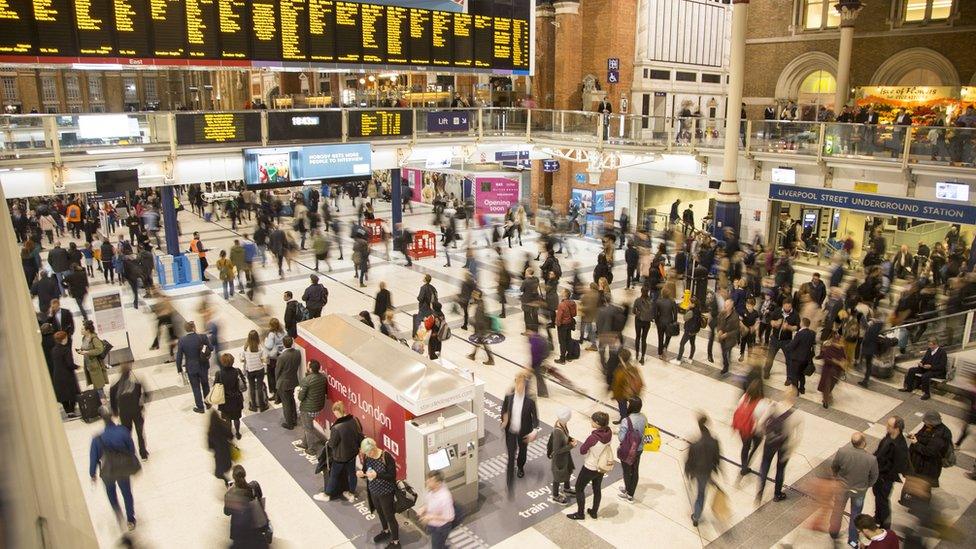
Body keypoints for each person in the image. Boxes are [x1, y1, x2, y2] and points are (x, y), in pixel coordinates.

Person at [89, 407, 138, 530]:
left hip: (107, 471)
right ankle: (130, 520)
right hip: (122, 468)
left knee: (111, 493)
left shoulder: (97, 439)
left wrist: (92, 474)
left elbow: (93, 458)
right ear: (112, 417)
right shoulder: (123, 431)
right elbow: (131, 449)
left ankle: (118, 514)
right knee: (126, 493)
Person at [829, 432, 879, 548]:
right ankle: (852, 539)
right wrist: (866, 485)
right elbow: (874, 476)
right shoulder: (871, 459)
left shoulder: (842, 451)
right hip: (859, 491)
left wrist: (838, 478)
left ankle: (833, 532)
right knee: (856, 515)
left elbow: (834, 467)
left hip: (842, 488)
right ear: (863, 442)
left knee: (837, 509)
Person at [756, 387, 802, 503]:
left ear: (783, 395)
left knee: (765, 465)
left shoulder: (774, 406)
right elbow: (798, 437)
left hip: (771, 440)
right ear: (795, 397)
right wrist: (791, 449)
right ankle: (777, 494)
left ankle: (760, 491)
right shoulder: (798, 414)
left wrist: (765, 434)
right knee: (780, 469)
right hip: (784, 444)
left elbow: (761, 422)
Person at [566, 411, 612, 520]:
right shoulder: (608, 433)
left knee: (579, 488)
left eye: (591, 419)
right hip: (601, 467)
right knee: (597, 488)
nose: (590, 421)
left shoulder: (594, 437)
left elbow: (582, 450)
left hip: (590, 467)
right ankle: (594, 512)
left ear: (597, 422)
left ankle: (580, 514)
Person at [358, 437, 400, 548]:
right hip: (374, 491)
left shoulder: (386, 457)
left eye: (370, 452)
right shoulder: (368, 457)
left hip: (386, 492)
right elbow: (365, 469)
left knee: (389, 516)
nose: (369, 455)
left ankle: (396, 541)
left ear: (374, 447)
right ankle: (385, 531)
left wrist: (377, 475)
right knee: (380, 512)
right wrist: (362, 473)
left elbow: (392, 476)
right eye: (366, 453)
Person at [501, 372, 538, 494]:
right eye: (518, 384)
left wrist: (535, 430)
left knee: (522, 452)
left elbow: (535, 418)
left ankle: (521, 467)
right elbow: (504, 410)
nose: (520, 387)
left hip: (524, 432)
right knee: (511, 457)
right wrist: (504, 420)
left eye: (522, 384)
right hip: (510, 432)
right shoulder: (509, 397)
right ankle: (509, 484)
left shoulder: (530, 401)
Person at [872, 415, 909, 530]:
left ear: (897, 428)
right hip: (878, 474)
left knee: (883, 501)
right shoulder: (889, 436)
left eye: (889, 425)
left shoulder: (900, 446)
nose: (886, 426)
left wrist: (883, 474)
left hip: (885, 478)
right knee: (877, 497)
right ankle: (877, 517)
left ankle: (885, 525)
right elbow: (879, 451)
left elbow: (898, 466)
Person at [685, 413, 721, 527]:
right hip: (706, 472)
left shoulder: (694, 444)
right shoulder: (714, 442)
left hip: (697, 471)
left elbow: (689, 460)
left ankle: (696, 515)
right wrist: (715, 470)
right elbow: (717, 459)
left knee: (699, 493)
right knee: (701, 493)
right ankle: (697, 515)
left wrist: (688, 473)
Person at [223, 465, 270, 548]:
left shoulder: (231, 494)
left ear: (234, 477)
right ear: (244, 475)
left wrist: (229, 493)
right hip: (256, 527)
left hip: (239, 531)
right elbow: (259, 497)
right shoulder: (255, 486)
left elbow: (227, 512)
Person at [109, 362, 149, 460]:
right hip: (136, 411)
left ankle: (130, 453)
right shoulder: (136, 384)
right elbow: (146, 395)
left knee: (127, 434)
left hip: (124, 413)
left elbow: (113, 402)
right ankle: (143, 453)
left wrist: (115, 413)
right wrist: (142, 404)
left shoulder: (114, 387)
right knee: (140, 433)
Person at [325, 401, 362, 501]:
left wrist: (329, 442)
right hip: (353, 453)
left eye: (334, 413)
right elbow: (359, 434)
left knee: (334, 475)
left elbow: (332, 444)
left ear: (337, 412)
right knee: (352, 473)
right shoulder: (354, 420)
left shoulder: (336, 428)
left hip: (340, 457)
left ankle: (327, 494)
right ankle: (351, 493)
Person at [907, 410, 952, 489]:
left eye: (926, 422)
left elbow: (930, 451)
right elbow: (923, 435)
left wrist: (916, 443)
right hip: (919, 461)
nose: (925, 424)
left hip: (928, 465)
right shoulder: (929, 426)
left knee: (922, 485)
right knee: (914, 481)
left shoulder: (941, 434)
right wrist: (916, 435)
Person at [175, 321, 212, 413]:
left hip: (191, 367)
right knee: (205, 384)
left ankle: (200, 407)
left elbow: (179, 356)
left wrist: (179, 369)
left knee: (195, 387)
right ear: (194, 328)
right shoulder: (202, 337)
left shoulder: (182, 340)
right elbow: (211, 348)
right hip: (203, 365)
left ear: (185, 329)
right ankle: (208, 403)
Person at [733, 379, 767, 477]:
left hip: (743, 429)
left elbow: (737, 409)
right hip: (755, 430)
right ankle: (749, 458)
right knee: (756, 444)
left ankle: (744, 467)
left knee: (745, 447)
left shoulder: (744, 397)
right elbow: (762, 420)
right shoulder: (762, 403)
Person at [618, 397, 647, 503]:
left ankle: (629, 493)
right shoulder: (643, 417)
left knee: (627, 470)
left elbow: (621, 438)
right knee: (635, 470)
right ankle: (630, 491)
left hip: (628, 449)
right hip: (639, 448)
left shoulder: (627, 420)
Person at [418, 470, 455, 549]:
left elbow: (450, 517)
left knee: (436, 546)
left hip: (440, 528)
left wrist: (430, 517)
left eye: (431, 480)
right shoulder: (430, 490)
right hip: (432, 525)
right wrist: (424, 508)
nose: (427, 481)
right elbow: (430, 502)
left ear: (438, 483)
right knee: (439, 544)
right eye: (428, 479)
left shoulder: (445, 497)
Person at [297, 360, 327, 456]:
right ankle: (304, 443)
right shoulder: (323, 378)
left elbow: (300, 397)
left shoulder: (306, 380)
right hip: (318, 407)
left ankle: (311, 449)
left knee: (308, 428)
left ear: (310, 368)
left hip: (307, 408)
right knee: (307, 426)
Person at [548, 407, 576, 505]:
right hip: (559, 460)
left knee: (568, 472)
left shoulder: (562, 423)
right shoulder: (558, 431)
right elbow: (557, 450)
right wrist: (571, 446)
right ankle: (555, 496)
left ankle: (567, 489)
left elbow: (566, 436)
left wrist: (570, 439)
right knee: (557, 478)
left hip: (565, 457)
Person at [215, 354, 246, 439]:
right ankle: (238, 433)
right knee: (236, 418)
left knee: (227, 419)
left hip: (225, 400)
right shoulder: (237, 371)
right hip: (236, 399)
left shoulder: (219, 373)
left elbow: (216, 386)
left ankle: (230, 434)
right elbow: (243, 382)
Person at [51, 330, 81, 417]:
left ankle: (67, 411)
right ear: (64, 339)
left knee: (63, 394)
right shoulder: (65, 350)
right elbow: (69, 364)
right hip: (67, 375)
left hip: (57, 374)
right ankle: (71, 411)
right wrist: (77, 366)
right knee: (72, 392)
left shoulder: (54, 350)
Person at [77, 320, 109, 399]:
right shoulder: (84, 338)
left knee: (98, 386)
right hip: (89, 364)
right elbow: (84, 347)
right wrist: (81, 351)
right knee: (96, 384)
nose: (81, 331)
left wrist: (87, 352)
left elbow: (99, 350)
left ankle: (103, 401)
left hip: (95, 365)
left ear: (87, 330)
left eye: (82, 329)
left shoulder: (94, 339)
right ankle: (100, 400)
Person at [275, 337, 301, 430]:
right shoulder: (298, 353)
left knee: (286, 403)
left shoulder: (282, 357)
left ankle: (289, 423)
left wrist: (277, 382)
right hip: (293, 380)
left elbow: (277, 371)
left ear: (283, 344)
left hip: (283, 383)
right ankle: (294, 419)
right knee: (291, 399)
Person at [784, 317, 816, 393]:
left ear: (802, 323)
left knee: (794, 375)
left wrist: (787, 347)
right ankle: (802, 389)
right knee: (801, 374)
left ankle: (795, 391)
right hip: (806, 358)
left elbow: (793, 344)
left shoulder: (799, 333)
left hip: (797, 358)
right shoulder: (812, 333)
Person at [818, 330, 848, 409]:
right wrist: (837, 362)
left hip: (836, 372)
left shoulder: (841, 349)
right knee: (826, 386)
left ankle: (827, 397)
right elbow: (826, 358)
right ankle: (825, 401)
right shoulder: (829, 347)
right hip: (828, 370)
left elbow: (844, 359)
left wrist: (842, 364)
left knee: (830, 385)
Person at [240, 330, 268, 412]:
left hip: (250, 370)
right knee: (259, 387)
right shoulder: (260, 347)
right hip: (259, 369)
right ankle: (262, 406)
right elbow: (264, 359)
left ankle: (254, 406)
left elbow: (242, 359)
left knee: (251, 387)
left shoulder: (245, 347)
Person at [859, 312, 885, 388]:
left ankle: (865, 381)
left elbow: (869, 336)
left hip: (869, 348)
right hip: (871, 347)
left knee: (868, 364)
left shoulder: (875, 326)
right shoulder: (878, 325)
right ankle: (865, 380)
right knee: (868, 364)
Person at [208, 410, 234, 484]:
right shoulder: (224, 426)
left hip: (219, 455)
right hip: (227, 451)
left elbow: (210, 447)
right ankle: (230, 482)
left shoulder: (211, 432)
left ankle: (228, 483)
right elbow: (231, 437)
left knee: (218, 473)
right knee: (226, 468)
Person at [716, 299, 740, 375]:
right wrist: (719, 330)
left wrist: (726, 334)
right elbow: (719, 323)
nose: (725, 307)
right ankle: (727, 357)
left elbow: (736, 330)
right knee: (724, 352)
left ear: (731, 306)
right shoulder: (722, 313)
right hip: (722, 338)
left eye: (727, 306)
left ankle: (726, 367)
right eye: (725, 305)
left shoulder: (735, 317)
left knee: (725, 353)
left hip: (730, 340)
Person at [654, 287, 678, 359]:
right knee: (668, 336)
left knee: (660, 338)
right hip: (669, 322)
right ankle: (665, 346)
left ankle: (660, 354)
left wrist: (656, 322)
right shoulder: (672, 302)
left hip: (660, 322)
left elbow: (655, 314)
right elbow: (675, 313)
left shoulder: (658, 301)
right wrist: (674, 321)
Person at [554, 288, 577, 364]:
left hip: (562, 325)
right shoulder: (573, 303)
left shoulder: (561, 305)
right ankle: (569, 356)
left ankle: (562, 359)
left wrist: (557, 324)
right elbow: (574, 314)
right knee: (568, 340)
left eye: (562, 292)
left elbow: (559, 317)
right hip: (569, 323)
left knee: (562, 342)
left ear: (565, 295)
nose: (561, 293)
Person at [632, 287, 654, 364]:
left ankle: (637, 354)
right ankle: (643, 357)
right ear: (648, 292)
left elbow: (633, 311)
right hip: (647, 322)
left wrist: (638, 313)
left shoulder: (637, 300)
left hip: (638, 321)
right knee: (644, 339)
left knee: (638, 337)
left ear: (641, 292)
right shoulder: (651, 300)